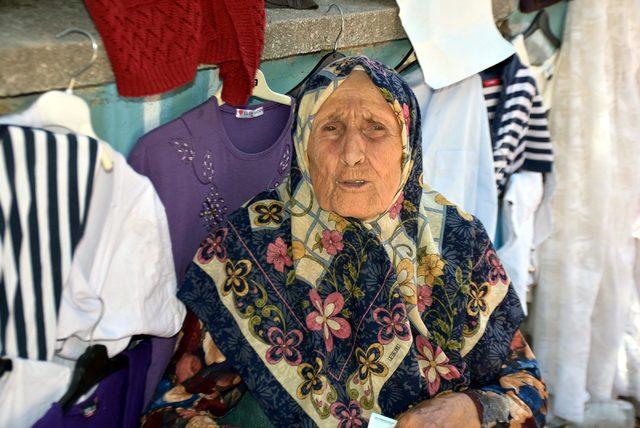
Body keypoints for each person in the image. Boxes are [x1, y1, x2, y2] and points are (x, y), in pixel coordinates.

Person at [142, 56, 547, 427]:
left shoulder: (458, 242)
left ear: (407, 145)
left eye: (376, 129)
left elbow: (528, 386)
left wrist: (471, 409)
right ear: (303, 142)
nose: (352, 153)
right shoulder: (248, 248)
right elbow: (174, 410)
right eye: (331, 128)